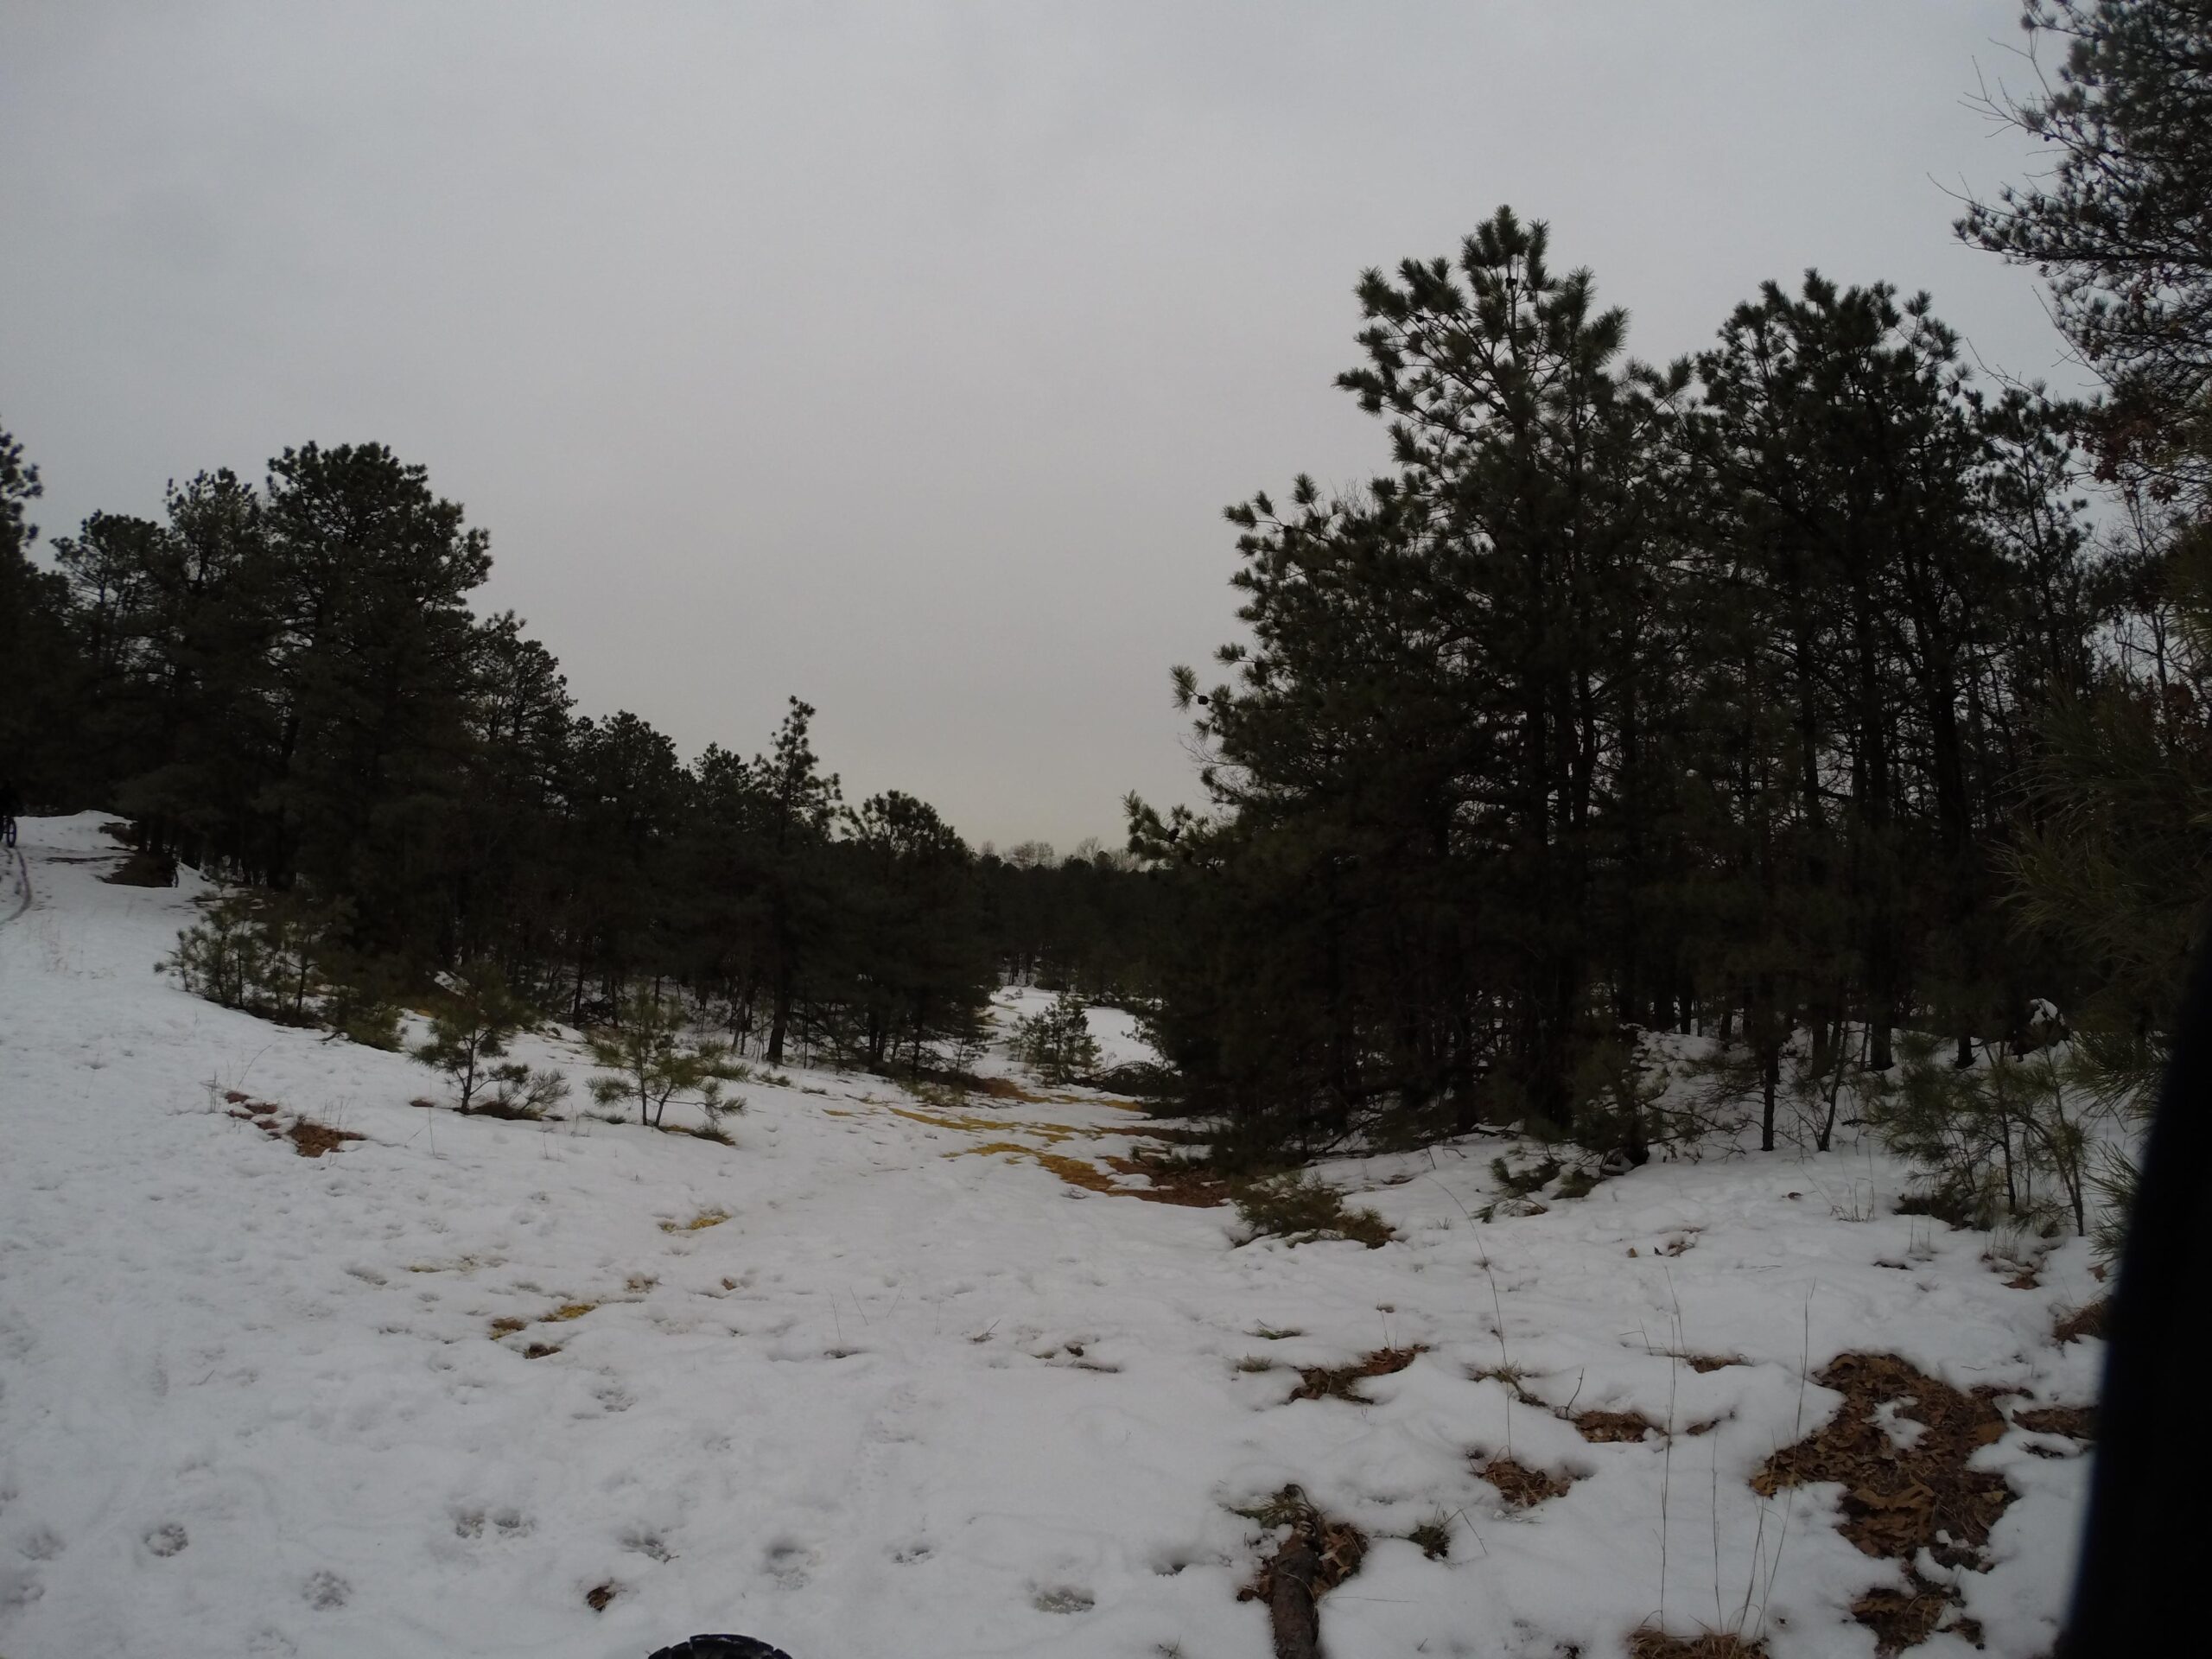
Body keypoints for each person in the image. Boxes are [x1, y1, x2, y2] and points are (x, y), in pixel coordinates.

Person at [0, 777, 20, 849]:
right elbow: (18, 800)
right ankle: (9, 824)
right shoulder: (13, 791)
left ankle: (1, 828)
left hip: (2, 808)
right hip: (10, 808)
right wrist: (20, 807)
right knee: (10, 817)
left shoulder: (2, 791)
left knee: (1, 819)